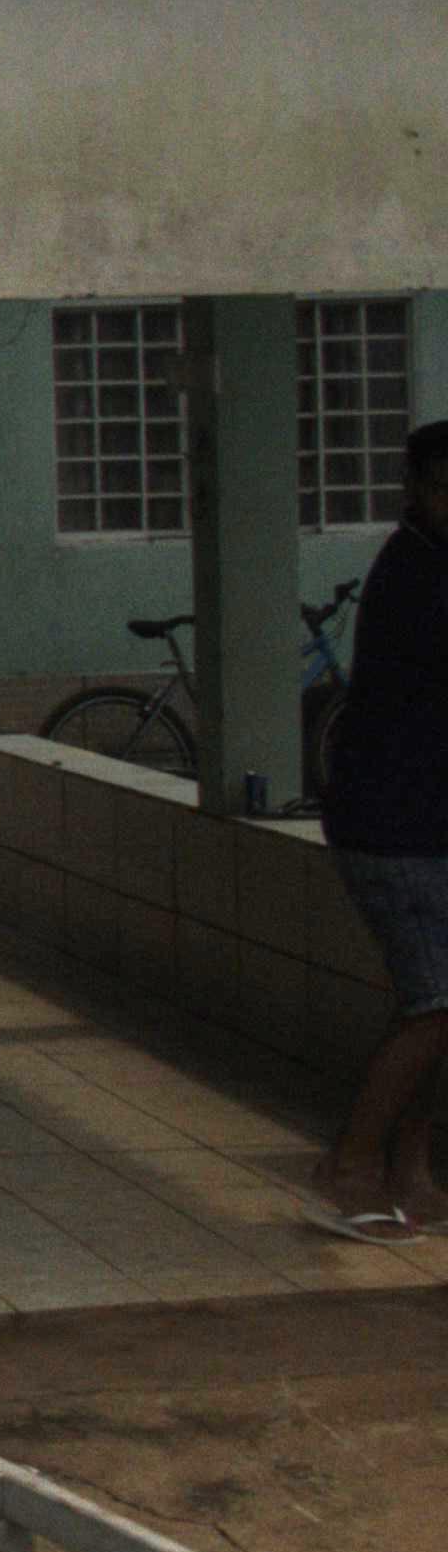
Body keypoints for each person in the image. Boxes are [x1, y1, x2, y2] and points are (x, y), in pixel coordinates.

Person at [314, 420, 448, 1239]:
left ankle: (410, 1173)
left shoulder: (425, 562)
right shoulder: (417, 579)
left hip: (415, 823)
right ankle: (352, 1166)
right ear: (423, 491)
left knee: (432, 1008)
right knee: (436, 1009)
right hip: (395, 830)